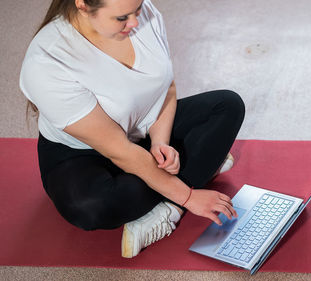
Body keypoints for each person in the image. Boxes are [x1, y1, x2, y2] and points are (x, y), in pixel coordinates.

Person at [19, 0, 245, 258]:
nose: (136, 21)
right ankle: (195, 170)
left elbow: (165, 87)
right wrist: (187, 197)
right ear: (81, 4)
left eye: (137, 10)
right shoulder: (47, 63)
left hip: (141, 129)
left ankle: (167, 208)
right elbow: (119, 151)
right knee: (90, 207)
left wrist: (162, 142)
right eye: (122, 18)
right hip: (82, 154)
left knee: (228, 105)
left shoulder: (142, 11)